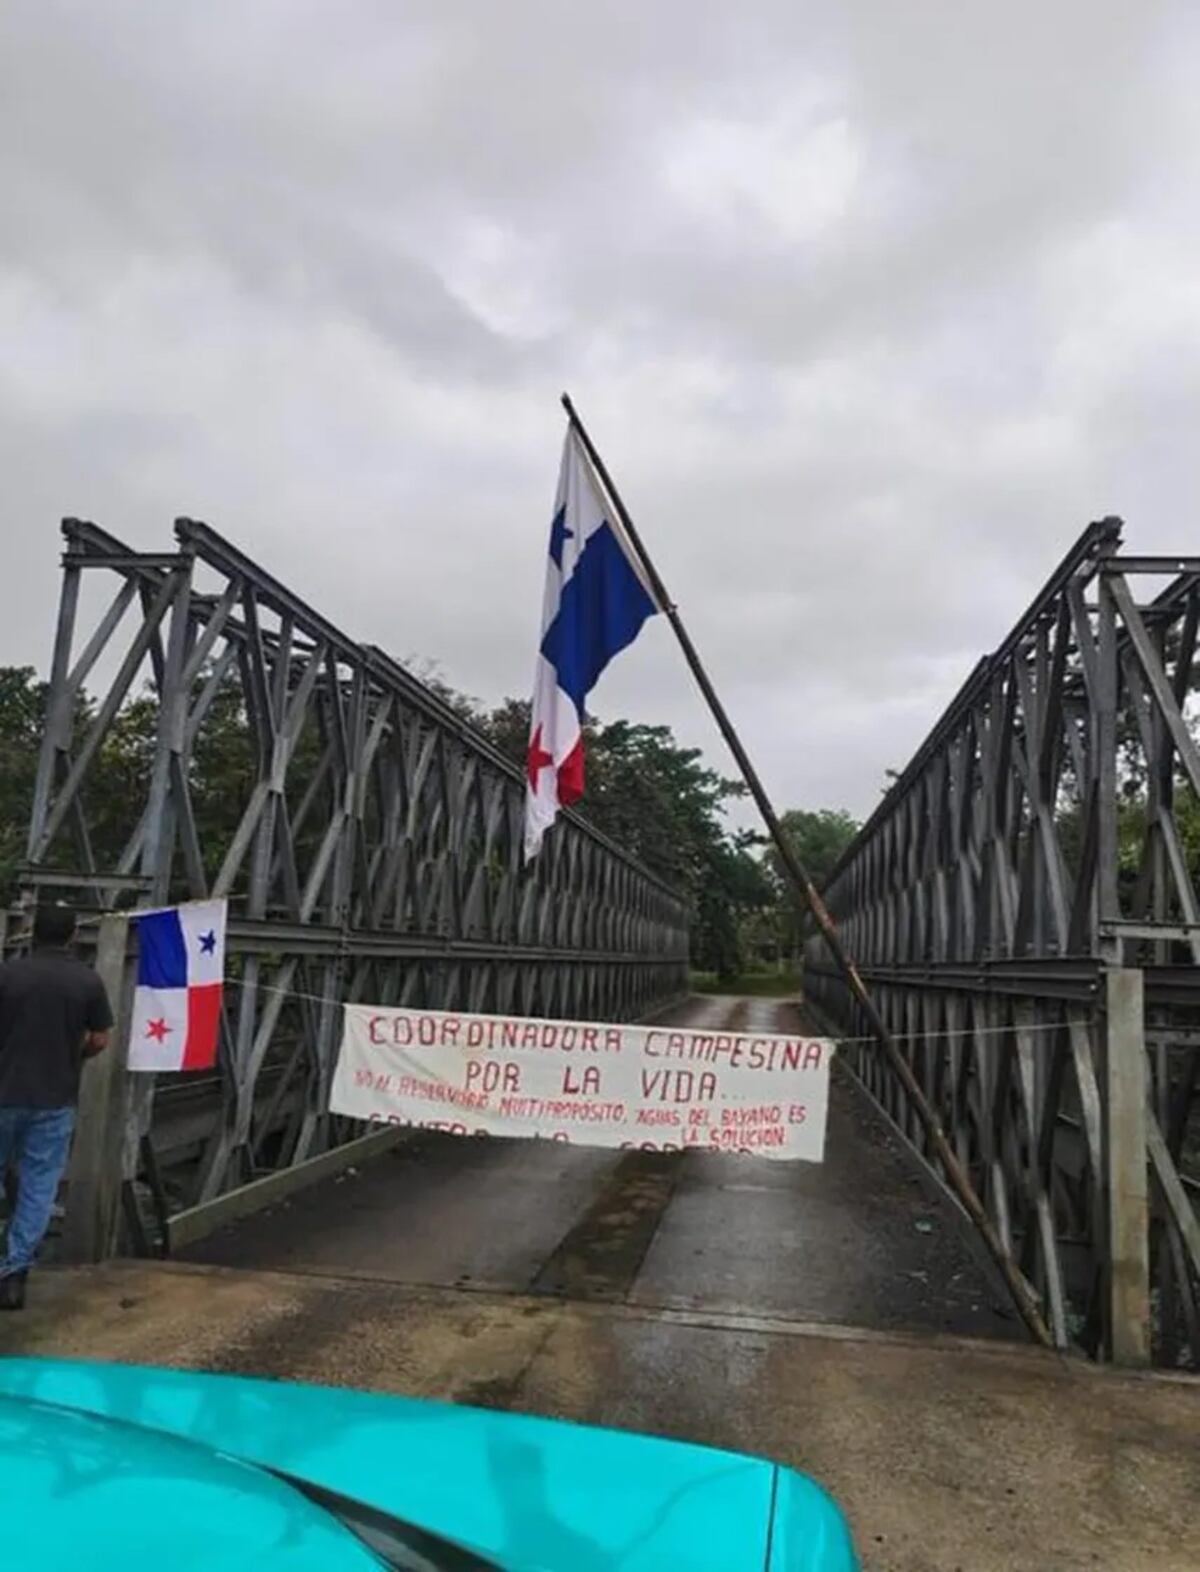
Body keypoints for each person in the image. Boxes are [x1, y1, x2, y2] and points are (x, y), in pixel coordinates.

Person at [0, 904, 113, 1309]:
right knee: (37, 1188)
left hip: (3, 1091)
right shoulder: (86, 981)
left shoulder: (7, 974)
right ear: (72, 935)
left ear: (32, 932)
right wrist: (74, 1055)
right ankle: (13, 1274)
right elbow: (100, 1039)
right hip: (54, 1097)